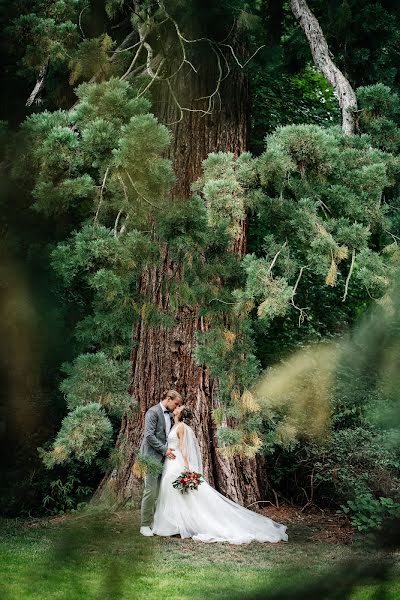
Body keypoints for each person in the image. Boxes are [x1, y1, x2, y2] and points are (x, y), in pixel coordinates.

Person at [152, 404, 288, 544]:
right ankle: (174, 524)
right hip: (171, 461)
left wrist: (187, 466)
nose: (177, 408)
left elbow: (183, 447)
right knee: (172, 492)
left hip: (178, 462)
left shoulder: (180, 426)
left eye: (179, 407)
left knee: (180, 492)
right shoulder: (174, 425)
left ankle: (184, 524)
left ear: (181, 414)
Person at [139, 389, 182, 537]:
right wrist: (165, 450)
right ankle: (144, 525)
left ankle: (157, 522)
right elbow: (149, 436)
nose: (176, 407)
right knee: (150, 491)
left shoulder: (171, 414)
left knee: (162, 492)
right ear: (168, 399)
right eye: (176, 404)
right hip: (152, 458)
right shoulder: (153, 412)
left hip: (166, 460)